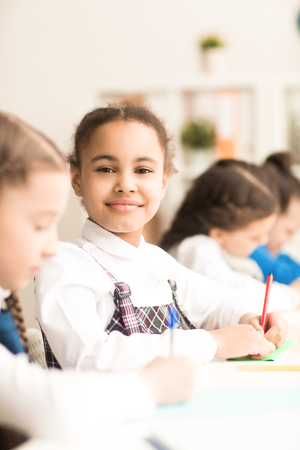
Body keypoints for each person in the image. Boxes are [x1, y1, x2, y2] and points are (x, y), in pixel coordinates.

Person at [36, 103, 286, 375]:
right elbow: (87, 357)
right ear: (76, 179)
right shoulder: (63, 263)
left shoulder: (158, 263)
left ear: (164, 182)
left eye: (143, 170)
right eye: (106, 169)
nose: (126, 184)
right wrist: (213, 342)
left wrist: (250, 319)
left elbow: (217, 304)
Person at [0, 111, 196, 450]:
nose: (51, 247)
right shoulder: (69, 263)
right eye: (39, 224)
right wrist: (150, 386)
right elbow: (52, 405)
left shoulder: (159, 260)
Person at [160, 158, 300, 312]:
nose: (264, 241)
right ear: (219, 234)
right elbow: (235, 294)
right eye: (255, 237)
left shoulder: (226, 253)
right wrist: (292, 295)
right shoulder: (195, 249)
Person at [250, 152, 300, 288]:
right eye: (289, 231)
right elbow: (283, 275)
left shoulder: (275, 254)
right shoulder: (250, 250)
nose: (291, 239)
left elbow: (289, 263)